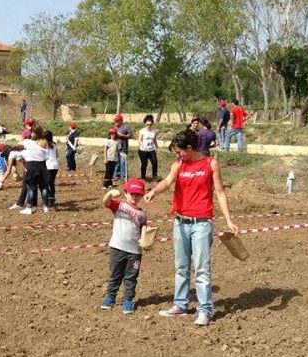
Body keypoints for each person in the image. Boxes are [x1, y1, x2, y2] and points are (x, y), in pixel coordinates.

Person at [144, 130, 239, 326]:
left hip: (202, 223)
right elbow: (168, 181)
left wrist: (229, 219)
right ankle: (181, 305)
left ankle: (205, 309)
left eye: (180, 152)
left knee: (202, 268)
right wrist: (154, 191)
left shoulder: (210, 163)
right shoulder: (179, 164)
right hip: (180, 222)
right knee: (181, 266)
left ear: (189, 148)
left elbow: (220, 192)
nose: (177, 155)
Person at [99, 178, 149, 314]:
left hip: (134, 251)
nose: (134, 197)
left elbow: (144, 227)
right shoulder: (119, 205)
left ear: (142, 195)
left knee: (131, 277)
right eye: (132, 193)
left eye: (138, 194)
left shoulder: (142, 214)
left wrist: (144, 240)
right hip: (117, 247)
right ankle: (110, 297)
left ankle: (128, 300)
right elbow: (106, 203)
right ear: (126, 193)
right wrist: (109, 194)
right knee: (115, 274)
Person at [19, 126, 50, 215]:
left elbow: (19, 142)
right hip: (42, 166)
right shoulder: (45, 141)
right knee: (43, 187)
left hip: (31, 166)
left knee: (31, 188)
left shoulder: (28, 142)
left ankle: (29, 208)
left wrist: (25, 135)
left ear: (34, 133)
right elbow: (47, 155)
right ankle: (46, 206)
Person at [137, 115, 159, 181]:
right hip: (143, 150)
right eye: (147, 124)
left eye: (150, 124)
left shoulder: (153, 131)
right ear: (145, 124)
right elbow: (139, 139)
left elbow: (154, 140)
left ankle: (154, 175)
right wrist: (143, 145)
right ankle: (143, 177)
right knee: (144, 163)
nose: (149, 126)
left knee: (155, 162)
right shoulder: (142, 131)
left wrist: (157, 147)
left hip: (151, 149)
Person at [113, 114, 132, 180]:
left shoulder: (126, 127)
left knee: (123, 162)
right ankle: (117, 175)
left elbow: (130, 136)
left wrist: (122, 135)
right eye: (115, 121)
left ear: (121, 120)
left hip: (123, 147)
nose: (116, 122)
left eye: (117, 121)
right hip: (116, 147)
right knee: (117, 161)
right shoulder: (115, 128)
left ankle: (124, 176)